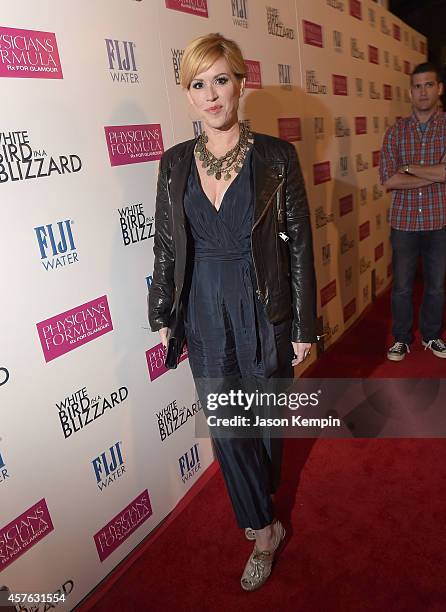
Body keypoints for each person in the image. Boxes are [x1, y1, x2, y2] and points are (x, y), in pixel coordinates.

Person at [148, 33, 317, 590]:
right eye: (199, 84)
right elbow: (167, 244)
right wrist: (162, 309)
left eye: (221, 80)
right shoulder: (173, 164)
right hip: (202, 306)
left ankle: (259, 497)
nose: (211, 94)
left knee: (266, 420)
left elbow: (298, 246)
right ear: (189, 94)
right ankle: (262, 529)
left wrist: (303, 325)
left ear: (242, 82)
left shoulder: (276, 156)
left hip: (263, 302)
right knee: (225, 425)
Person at [379, 62, 446, 361]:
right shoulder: (396, 132)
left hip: (439, 220)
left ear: (439, 89)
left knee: (436, 286)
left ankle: (431, 336)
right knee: (402, 287)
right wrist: (435, 172)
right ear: (410, 91)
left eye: (429, 85)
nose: (423, 91)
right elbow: (388, 179)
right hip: (404, 223)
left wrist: (408, 167)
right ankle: (402, 338)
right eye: (417, 86)